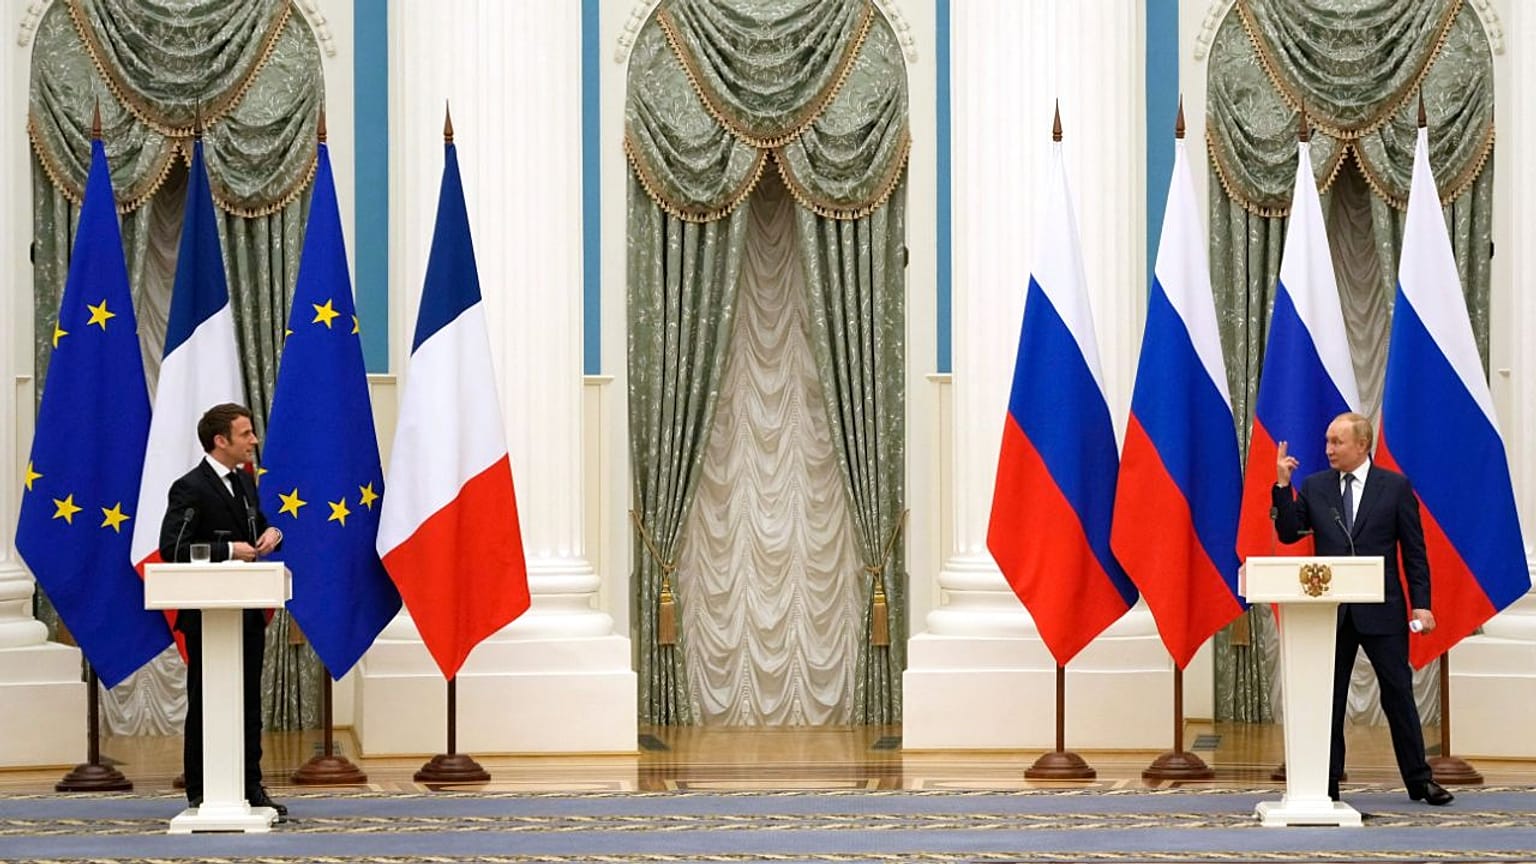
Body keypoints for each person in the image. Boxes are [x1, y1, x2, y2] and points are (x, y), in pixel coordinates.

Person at [1272, 411, 1452, 806]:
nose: (1328, 449)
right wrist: (1283, 486)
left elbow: (1415, 552)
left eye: (1337, 442)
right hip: (1331, 612)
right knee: (1330, 699)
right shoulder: (1316, 486)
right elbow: (1288, 534)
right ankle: (1327, 784)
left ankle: (1419, 781)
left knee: (1398, 694)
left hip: (1382, 610)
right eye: (1327, 441)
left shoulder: (1395, 487)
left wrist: (1421, 604)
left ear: (1362, 444)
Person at [157, 403, 286, 817]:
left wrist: (272, 533)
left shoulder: (244, 482)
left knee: (248, 702)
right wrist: (229, 550)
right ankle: (200, 788)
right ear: (220, 440)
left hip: (245, 610)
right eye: (245, 434)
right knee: (206, 700)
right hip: (208, 615)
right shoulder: (190, 487)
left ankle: (250, 785)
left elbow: (258, 525)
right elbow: (172, 547)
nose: (253, 440)